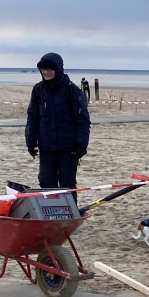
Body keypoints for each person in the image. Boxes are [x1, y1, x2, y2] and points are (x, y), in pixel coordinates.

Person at [25, 52, 91, 198]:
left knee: (67, 184)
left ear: (58, 69)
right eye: (43, 69)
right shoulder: (38, 90)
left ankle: (70, 216)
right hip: (46, 146)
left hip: (69, 147)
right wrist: (30, 142)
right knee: (46, 181)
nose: (46, 72)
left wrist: (81, 145)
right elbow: (33, 117)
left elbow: (83, 121)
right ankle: (52, 214)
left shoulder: (72, 90)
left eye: (50, 69)